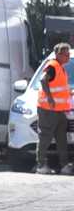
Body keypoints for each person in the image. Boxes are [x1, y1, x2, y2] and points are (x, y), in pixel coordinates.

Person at [35, 43, 73, 175]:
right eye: (66, 54)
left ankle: (64, 166)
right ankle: (40, 165)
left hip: (59, 111)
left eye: (68, 54)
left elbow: (59, 88)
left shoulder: (61, 68)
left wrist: (69, 93)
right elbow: (43, 80)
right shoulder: (52, 66)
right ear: (58, 54)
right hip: (48, 109)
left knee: (61, 139)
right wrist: (50, 98)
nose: (68, 56)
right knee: (45, 137)